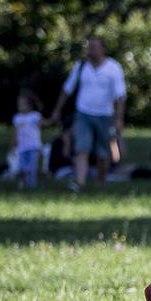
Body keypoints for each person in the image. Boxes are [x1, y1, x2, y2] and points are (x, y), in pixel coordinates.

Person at [49, 36, 126, 190]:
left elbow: (120, 95)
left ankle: (100, 183)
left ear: (103, 48)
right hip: (83, 113)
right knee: (81, 148)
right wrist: (57, 110)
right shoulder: (81, 66)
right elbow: (67, 89)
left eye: (94, 47)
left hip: (105, 115)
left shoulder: (114, 68)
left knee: (103, 153)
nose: (91, 50)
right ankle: (80, 182)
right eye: (89, 47)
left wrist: (119, 118)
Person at [10, 91, 44, 190]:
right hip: (22, 147)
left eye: (22, 104)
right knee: (22, 167)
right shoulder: (17, 118)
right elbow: (15, 133)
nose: (20, 107)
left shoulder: (35, 116)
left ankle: (31, 186)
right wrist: (13, 145)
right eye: (19, 104)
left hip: (34, 146)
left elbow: (43, 124)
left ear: (30, 105)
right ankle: (22, 184)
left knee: (32, 167)